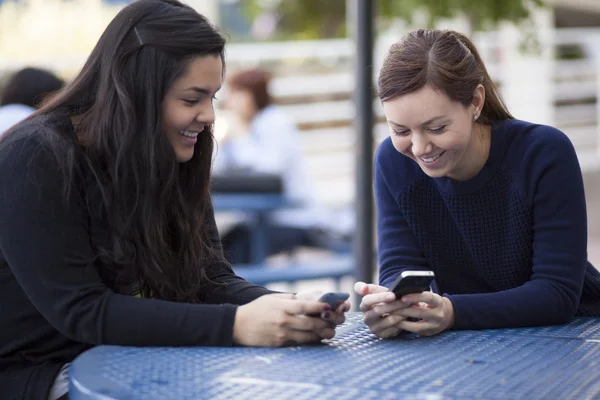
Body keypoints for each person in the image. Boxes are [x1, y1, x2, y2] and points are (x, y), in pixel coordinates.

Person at [0, 2, 349, 399]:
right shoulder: (34, 157)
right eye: (191, 99)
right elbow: (83, 310)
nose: (209, 116)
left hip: (129, 362)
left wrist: (288, 307)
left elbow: (209, 277)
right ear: (136, 93)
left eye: (213, 97)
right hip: (33, 376)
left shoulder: (175, 155)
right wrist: (236, 325)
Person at [354, 28, 600, 339]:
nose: (419, 148)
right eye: (401, 130)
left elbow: (557, 293)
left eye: (437, 127)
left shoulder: (543, 153)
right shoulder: (393, 161)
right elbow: (401, 270)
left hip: (575, 335)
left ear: (476, 101)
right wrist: (393, 306)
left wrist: (452, 312)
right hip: (463, 342)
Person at [215, 68, 340, 263]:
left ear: (251, 96)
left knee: (233, 253)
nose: (230, 103)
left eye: (236, 95)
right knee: (216, 247)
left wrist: (239, 135)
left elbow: (268, 171)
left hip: (296, 220)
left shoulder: (275, 123)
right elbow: (221, 169)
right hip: (261, 221)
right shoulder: (247, 127)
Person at [0, 67, 64, 135]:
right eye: (54, 96)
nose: (57, 103)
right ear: (44, 96)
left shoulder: (3, 112)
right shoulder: (34, 123)